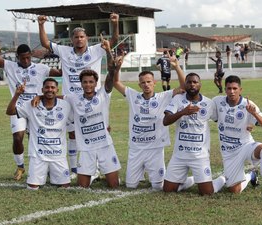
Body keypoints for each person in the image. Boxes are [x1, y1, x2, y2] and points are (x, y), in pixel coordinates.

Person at [37, 13, 119, 178]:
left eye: (82, 36)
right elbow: (45, 43)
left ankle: (99, 168)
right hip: (72, 100)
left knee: (100, 131)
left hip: (94, 99)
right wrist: (41, 25)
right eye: (76, 37)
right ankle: (75, 169)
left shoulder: (96, 50)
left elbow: (114, 41)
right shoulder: (65, 51)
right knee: (73, 133)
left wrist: (115, 24)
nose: (79, 39)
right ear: (72, 39)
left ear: (86, 38)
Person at [0, 31, 61, 181]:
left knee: (39, 139)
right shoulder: (10, 66)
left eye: (28, 57)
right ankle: (20, 166)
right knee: (17, 138)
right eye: (23, 58)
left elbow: (60, 72)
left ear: (31, 55)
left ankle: (46, 167)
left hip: (37, 109)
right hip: (18, 109)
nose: (26, 60)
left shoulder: (41, 68)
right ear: (18, 57)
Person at [113, 54, 187, 190]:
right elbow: (116, 83)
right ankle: (139, 173)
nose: (146, 85)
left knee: (158, 187)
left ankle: (185, 182)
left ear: (154, 83)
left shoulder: (164, 97)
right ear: (139, 84)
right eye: (143, 82)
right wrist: (117, 68)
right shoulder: (133, 95)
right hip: (136, 148)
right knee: (130, 186)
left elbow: (184, 86)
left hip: (155, 148)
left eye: (149, 82)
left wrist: (177, 67)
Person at [65, 38, 122, 188]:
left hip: (104, 145)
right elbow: (54, 96)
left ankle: (106, 172)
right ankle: (92, 174)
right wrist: (39, 96)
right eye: (85, 82)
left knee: (114, 185)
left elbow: (110, 77)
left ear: (96, 83)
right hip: (86, 147)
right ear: (81, 84)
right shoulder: (73, 98)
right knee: (82, 187)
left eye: (91, 82)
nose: (88, 85)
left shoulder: (103, 94)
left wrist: (111, 61)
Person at [162, 72, 226, 195]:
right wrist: (182, 112)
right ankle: (190, 180)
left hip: (199, 156)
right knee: (168, 190)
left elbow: (220, 120)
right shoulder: (177, 99)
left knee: (207, 193)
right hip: (180, 155)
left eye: (195, 82)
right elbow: (165, 121)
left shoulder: (208, 103)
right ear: (185, 84)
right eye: (189, 82)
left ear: (200, 84)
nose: (192, 84)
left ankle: (223, 178)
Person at [212, 75, 262, 200]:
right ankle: (251, 175)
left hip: (246, 145)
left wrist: (254, 114)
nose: (232, 91)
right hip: (229, 152)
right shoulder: (217, 102)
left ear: (240, 89)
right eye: (229, 88)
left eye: (235, 88)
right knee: (234, 190)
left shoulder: (248, 104)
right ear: (225, 89)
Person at [6, 78, 71, 190]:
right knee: (32, 187)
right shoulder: (32, 104)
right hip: (38, 156)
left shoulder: (66, 105)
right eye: (47, 87)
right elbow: (10, 111)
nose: (49, 89)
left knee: (65, 186)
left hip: (58, 155)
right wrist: (17, 95)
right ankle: (43, 173)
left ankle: (51, 173)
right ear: (42, 89)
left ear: (57, 90)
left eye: (52, 87)